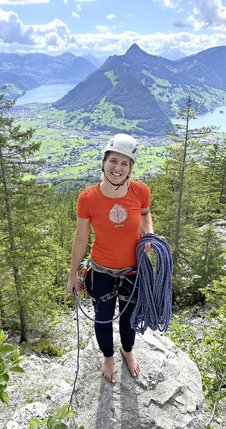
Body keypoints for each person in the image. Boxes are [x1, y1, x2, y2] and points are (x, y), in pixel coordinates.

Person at [67, 133, 154, 383]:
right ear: (104, 162)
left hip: (133, 271)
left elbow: (146, 213)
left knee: (129, 319)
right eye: (113, 161)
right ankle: (107, 355)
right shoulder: (88, 198)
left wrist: (149, 234)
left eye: (125, 163)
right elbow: (81, 238)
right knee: (102, 319)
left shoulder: (140, 191)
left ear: (130, 168)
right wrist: (72, 276)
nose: (118, 168)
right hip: (101, 271)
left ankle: (127, 351)